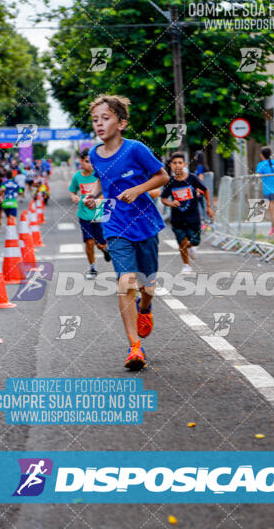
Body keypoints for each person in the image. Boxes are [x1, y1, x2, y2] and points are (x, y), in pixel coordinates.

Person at [83, 94, 169, 371]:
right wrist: (93, 195)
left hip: (144, 224)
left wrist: (137, 189)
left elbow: (162, 177)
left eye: (105, 118)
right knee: (125, 283)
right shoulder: (94, 154)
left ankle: (146, 308)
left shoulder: (136, 149)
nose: (99, 124)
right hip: (115, 223)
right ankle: (134, 346)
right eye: (95, 119)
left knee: (147, 286)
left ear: (121, 123)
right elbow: (102, 179)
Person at [161, 151, 214, 274]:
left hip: (193, 216)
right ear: (171, 166)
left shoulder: (192, 178)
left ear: (184, 164)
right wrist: (170, 203)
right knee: (181, 242)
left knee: (195, 241)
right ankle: (186, 265)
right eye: (175, 163)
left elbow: (205, 190)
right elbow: (163, 198)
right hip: (177, 218)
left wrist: (209, 207)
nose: (177, 165)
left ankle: (190, 248)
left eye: (180, 163)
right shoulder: (170, 182)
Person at [69, 148, 111, 279]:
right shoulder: (77, 177)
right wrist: (74, 197)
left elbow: (108, 190)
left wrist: (100, 199)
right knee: (89, 242)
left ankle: (105, 249)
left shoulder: (99, 174)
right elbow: (72, 191)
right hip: (84, 213)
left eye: (92, 162)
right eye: (87, 161)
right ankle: (92, 267)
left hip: (99, 212)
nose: (90, 165)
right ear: (81, 161)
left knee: (100, 243)